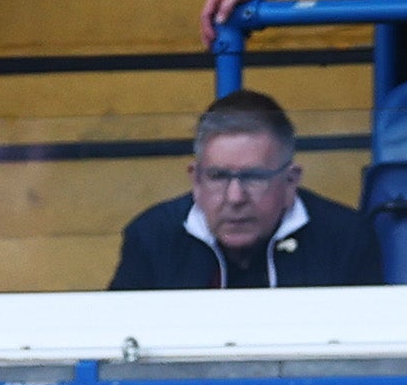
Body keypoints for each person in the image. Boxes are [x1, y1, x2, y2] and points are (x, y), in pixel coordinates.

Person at [115, 84, 366, 285]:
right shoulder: (152, 237)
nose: (235, 197)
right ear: (196, 180)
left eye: (254, 177)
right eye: (218, 177)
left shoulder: (346, 238)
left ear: (290, 181)